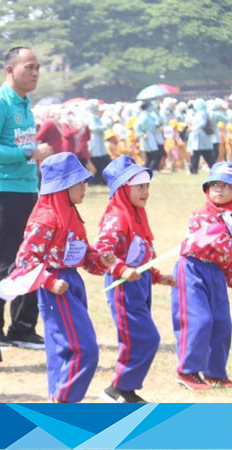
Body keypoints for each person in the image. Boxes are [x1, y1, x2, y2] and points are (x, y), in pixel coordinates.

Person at [14, 153, 114, 402]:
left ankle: (57, 404)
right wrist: (49, 282)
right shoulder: (46, 218)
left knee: (65, 349)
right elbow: (25, 261)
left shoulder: (70, 213)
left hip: (72, 283)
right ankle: (63, 404)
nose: (85, 187)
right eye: (79, 182)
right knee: (83, 350)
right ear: (61, 186)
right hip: (56, 288)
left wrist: (100, 259)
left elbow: (81, 251)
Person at [0, 46, 53, 349]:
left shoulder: (24, 102)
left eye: (37, 68)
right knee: (7, 258)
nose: (35, 73)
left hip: (26, 188)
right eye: (29, 67)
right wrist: (27, 152)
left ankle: (22, 328)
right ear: (10, 69)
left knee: (32, 255)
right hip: (2, 189)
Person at [95, 156, 176, 403]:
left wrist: (157, 276)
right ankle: (117, 389)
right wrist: (121, 270)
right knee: (144, 338)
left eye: (147, 186)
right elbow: (102, 252)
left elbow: (143, 255)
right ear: (123, 189)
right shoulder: (117, 218)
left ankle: (125, 389)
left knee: (141, 338)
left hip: (139, 286)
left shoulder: (138, 215)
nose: (146, 192)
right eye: (139, 186)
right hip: (123, 287)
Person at [171, 162, 232, 390]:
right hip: (193, 269)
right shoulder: (201, 214)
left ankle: (215, 372)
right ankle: (186, 372)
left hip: (215, 272)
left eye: (226, 185)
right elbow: (212, 243)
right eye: (214, 184)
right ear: (206, 188)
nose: (219, 189)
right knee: (200, 320)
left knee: (222, 323)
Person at [187, 99, 215, 174]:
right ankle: (213, 168)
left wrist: (193, 129)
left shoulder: (200, 113)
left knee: (197, 154)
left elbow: (202, 123)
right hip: (203, 137)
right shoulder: (205, 112)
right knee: (207, 155)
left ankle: (194, 170)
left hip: (200, 137)